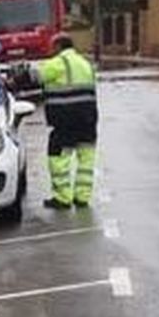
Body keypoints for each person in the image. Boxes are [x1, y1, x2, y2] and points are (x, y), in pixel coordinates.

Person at [35, 34, 100, 210]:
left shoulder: (58, 63)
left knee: (58, 158)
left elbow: (36, 77)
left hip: (65, 120)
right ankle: (82, 197)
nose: (50, 50)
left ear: (58, 46)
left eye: (52, 47)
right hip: (88, 119)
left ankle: (62, 198)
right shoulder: (86, 64)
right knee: (86, 159)